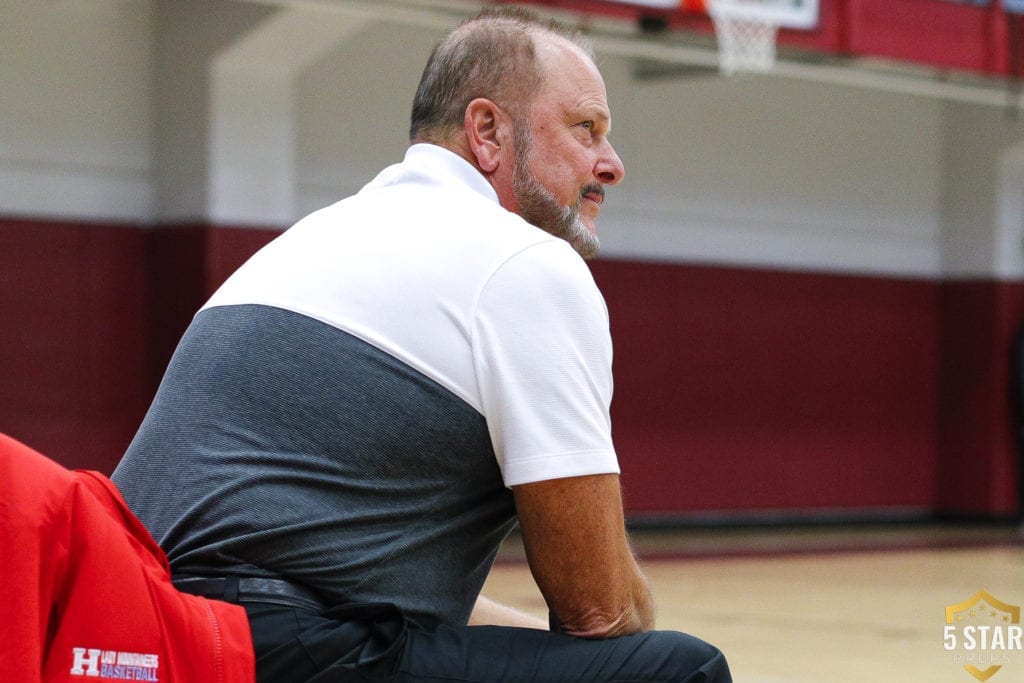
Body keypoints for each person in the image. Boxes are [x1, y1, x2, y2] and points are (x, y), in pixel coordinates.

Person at [112, 6, 731, 682]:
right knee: (676, 670)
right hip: (260, 648)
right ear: (488, 131)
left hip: (125, 640)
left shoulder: (314, 239)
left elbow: (350, 591)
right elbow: (600, 612)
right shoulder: (523, 262)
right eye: (587, 129)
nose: (610, 165)